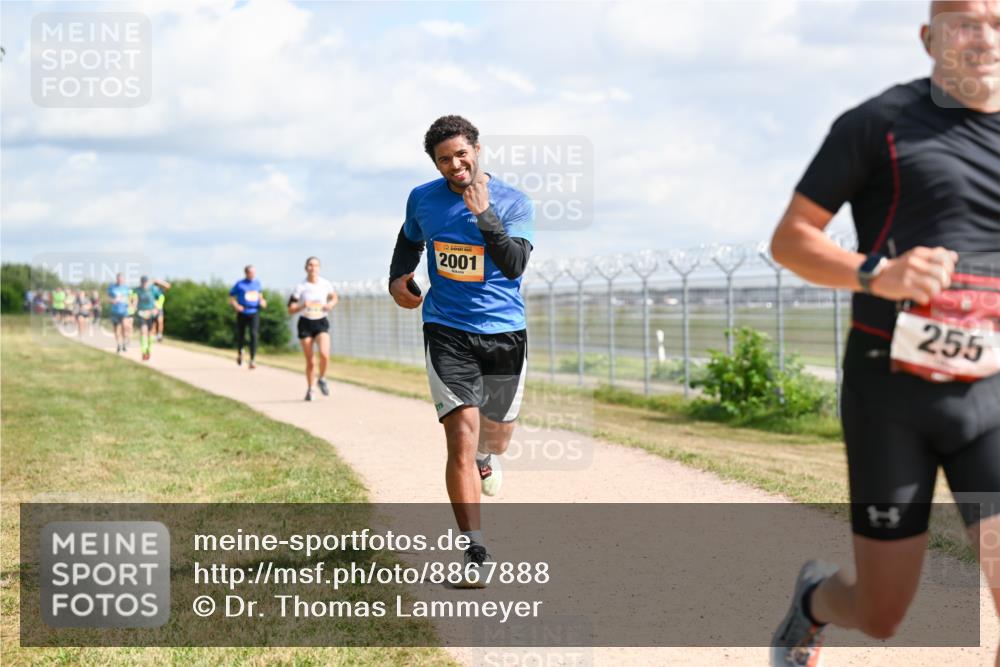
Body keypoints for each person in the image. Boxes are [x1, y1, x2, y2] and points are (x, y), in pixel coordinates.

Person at [768, 2, 1000, 665]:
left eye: (999, 20)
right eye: (964, 21)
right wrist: (879, 273)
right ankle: (815, 598)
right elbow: (790, 240)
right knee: (881, 610)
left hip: (993, 393)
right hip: (891, 393)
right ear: (929, 38)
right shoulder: (879, 124)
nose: (983, 35)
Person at [388, 115, 534, 587]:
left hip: (504, 331)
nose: (455, 165)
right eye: (444, 159)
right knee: (461, 436)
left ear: (477, 149)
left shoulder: (514, 201)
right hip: (446, 328)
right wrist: (398, 277)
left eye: (461, 154)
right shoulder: (423, 198)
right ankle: (475, 550)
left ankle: (488, 460)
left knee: (497, 437)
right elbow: (409, 238)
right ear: (435, 162)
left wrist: (484, 213)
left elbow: (513, 266)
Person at [287, 257, 337, 401]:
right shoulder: (300, 287)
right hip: (305, 323)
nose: (312, 268)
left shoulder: (325, 284)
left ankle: (322, 378)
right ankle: (311, 389)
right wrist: (303, 305)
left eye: (315, 265)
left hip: (321, 321)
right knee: (310, 361)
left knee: (324, 354)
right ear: (306, 268)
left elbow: (334, 297)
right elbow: (290, 309)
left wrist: (330, 304)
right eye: (310, 265)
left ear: (319, 268)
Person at [230, 264, 268, 370]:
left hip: (254, 311)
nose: (253, 274)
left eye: (254, 273)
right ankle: (240, 352)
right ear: (246, 273)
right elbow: (231, 297)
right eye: (251, 272)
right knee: (241, 335)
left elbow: (260, 296)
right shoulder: (240, 284)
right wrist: (236, 306)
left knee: (254, 335)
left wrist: (262, 302)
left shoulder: (257, 283)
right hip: (242, 312)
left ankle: (252, 359)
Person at [133, 276, 171, 361]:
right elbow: (134, 299)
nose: (144, 284)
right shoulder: (138, 290)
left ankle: (149, 351)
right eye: (143, 282)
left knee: (151, 333)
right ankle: (143, 352)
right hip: (142, 313)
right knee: (143, 332)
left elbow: (165, 289)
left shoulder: (153, 289)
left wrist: (156, 308)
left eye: (145, 282)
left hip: (152, 314)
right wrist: (134, 307)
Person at [107, 274, 132, 353]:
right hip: (115, 311)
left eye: (121, 279)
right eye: (118, 279)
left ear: (123, 280)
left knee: (125, 327)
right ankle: (119, 345)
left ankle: (124, 344)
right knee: (117, 330)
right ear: (116, 279)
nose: (120, 280)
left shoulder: (127, 288)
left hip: (124, 311)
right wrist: (112, 301)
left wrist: (132, 305)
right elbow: (108, 297)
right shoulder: (112, 287)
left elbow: (132, 298)